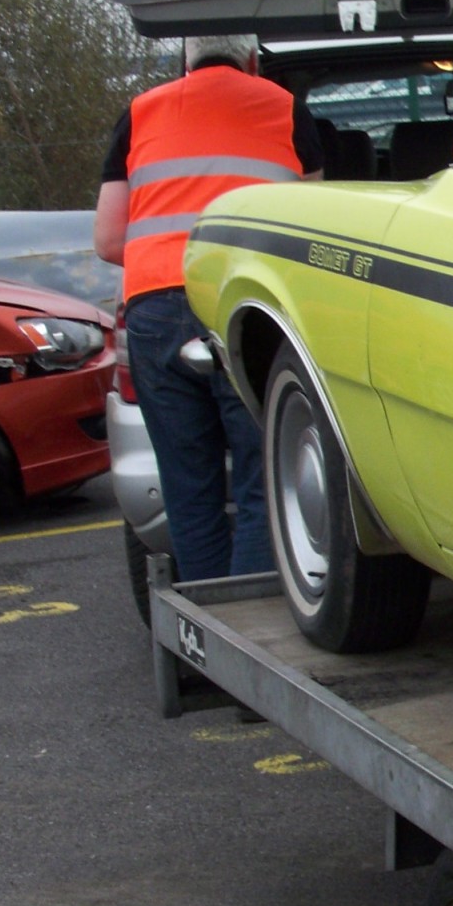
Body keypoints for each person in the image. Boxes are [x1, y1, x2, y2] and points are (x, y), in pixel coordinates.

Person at [95, 34, 322, 580]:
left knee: (187, 484)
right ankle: (256, 625)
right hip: (242, 308)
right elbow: (316, 227)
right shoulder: (285, 109)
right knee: (261, 476)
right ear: (252, 60)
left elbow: (107, 240)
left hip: (154, 311)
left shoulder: (140, 112)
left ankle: (208, 624)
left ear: (184, 61)